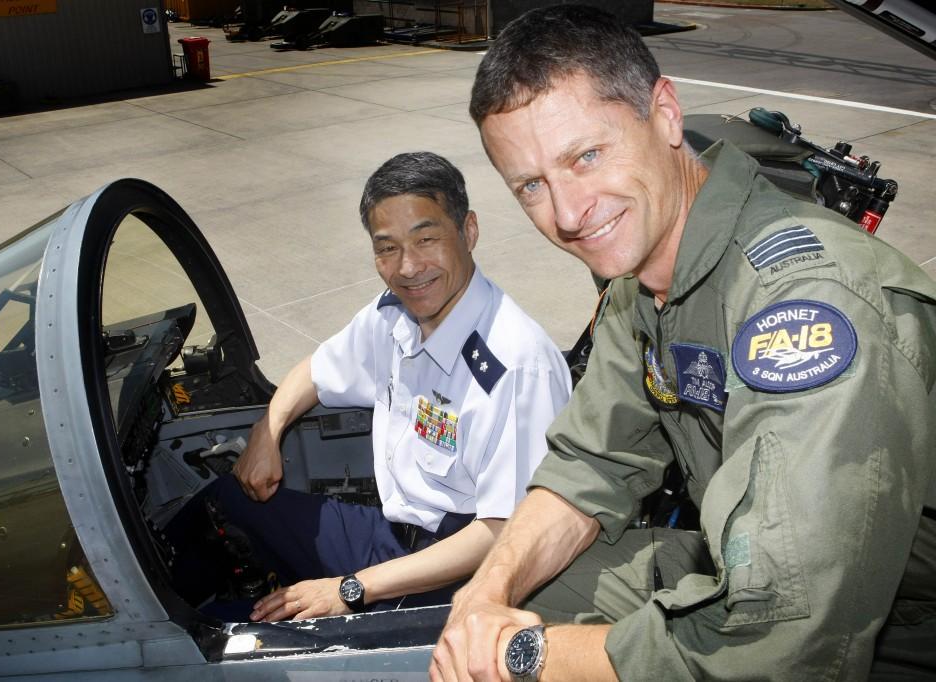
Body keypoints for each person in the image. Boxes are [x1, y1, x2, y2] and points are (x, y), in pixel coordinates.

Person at [430, 5, 936, 681]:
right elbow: (591, 464)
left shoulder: (809, 305)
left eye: (586, 155)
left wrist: (520, 655)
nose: (569, 214)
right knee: (524, 596)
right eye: (531, 185)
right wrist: (483, 596)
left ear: (664, 112)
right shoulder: (641, 283)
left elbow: (785, 640)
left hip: (900, 625)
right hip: (748, 563)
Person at [222, 151, 572, 622]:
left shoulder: (516, 364)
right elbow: (317, 369)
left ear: (468, 231)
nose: (408, 268)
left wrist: (348, 590)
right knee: (223, 500)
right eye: (387, 248)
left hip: (458, 572)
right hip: (389, 536)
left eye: (426, 239)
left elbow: (502, 529)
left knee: (235, 630)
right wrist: (269, 430)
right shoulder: (394, 314)